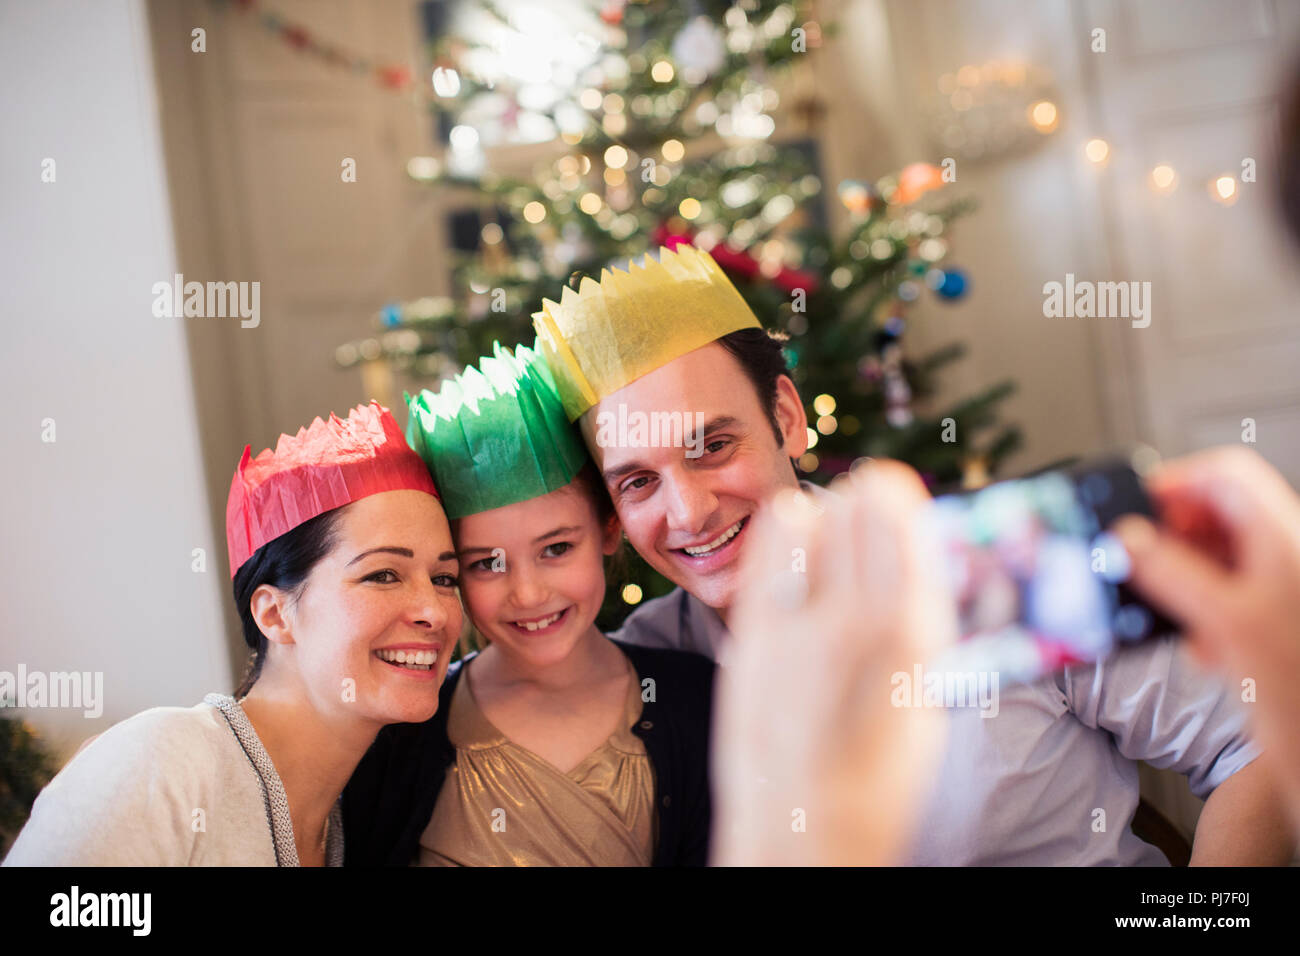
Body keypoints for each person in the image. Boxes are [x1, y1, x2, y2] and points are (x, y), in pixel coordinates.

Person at [531, 243, 1294, 865]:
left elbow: (1250, 748)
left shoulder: (998, 563)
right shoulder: (634, 680)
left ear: (788, 419)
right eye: (637, 482)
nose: (689, 510)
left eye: (714, 446)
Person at [3, 402, 461, 866]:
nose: (434, 612)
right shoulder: (161, 762)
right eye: (383, 575)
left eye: (445, 579)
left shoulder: (365, 819)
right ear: (274, 614)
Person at [342, 344, 713, 866]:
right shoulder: (400, 736)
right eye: (487, 564)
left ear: (610, 528)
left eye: (557, 549)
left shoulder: (701, 702)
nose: (529, 594)